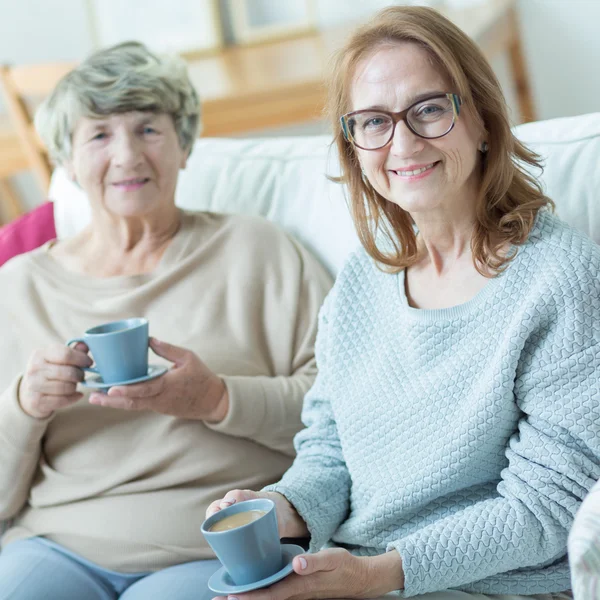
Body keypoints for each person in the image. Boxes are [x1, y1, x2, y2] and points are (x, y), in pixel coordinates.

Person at [207, 6, 599, 599]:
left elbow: (545, 510)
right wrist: (283, 506)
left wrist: (375, 576)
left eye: (429, 110)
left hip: (494, 585)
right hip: (357, 573)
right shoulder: (364, 278)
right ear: (354, 145)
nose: (404, 142)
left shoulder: (559, 277)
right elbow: (330, 446)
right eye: (373, 122)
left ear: (483, 119)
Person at [0, 42, 332, 599]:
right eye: (100, 134)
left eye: (149, 129)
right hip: (57, 544)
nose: (127, 156)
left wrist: (217, 399)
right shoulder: (18, 287)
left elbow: (342, 416)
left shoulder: (261, 251)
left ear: (184, 143)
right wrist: (24, 406)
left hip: (214, 546)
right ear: (68, 160)